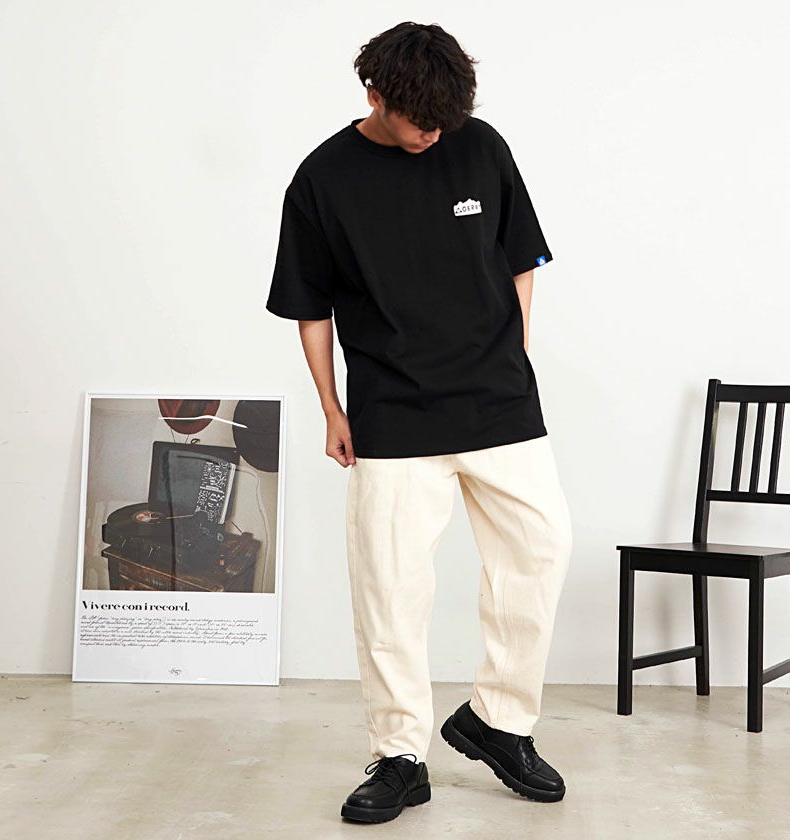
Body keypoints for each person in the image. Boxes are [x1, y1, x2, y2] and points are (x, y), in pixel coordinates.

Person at [266, 20, 573, 824]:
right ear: (374, 95)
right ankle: (401, 754)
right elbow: (310, 309)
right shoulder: (324, 178)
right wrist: (331, 408)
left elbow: (521, 261)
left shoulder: (481, 145)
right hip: (393, 412)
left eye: (445, 120)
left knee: (541, 551)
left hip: (499, 400)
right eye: (419, 122)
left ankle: (498, 721)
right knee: (390, 585)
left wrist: (515, 356)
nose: (434, 134)